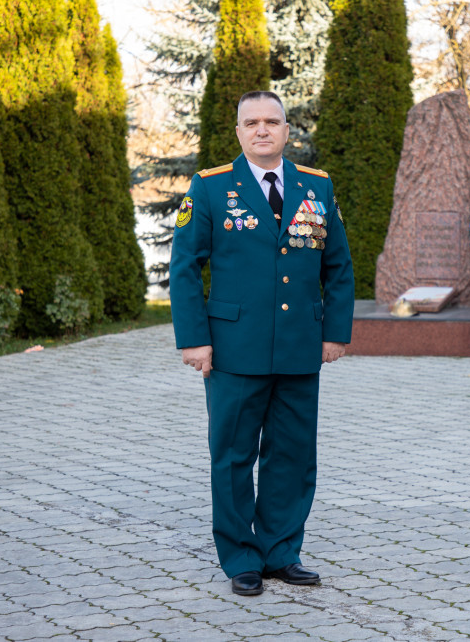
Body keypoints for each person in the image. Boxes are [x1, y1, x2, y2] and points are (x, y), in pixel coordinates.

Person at [169, 90, 355, 596]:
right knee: (232, 455)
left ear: (286, 131)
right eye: (251, 122)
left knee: (292, 454)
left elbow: (338, 266)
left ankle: (281, 552)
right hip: (233, 347)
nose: (262, 130)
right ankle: (241, 558)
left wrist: (334, 332)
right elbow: (184, 268)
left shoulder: (316, 186)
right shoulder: (210, 187)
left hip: (299, 346)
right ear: (238, 132)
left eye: (271, 121)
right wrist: (194, 340)